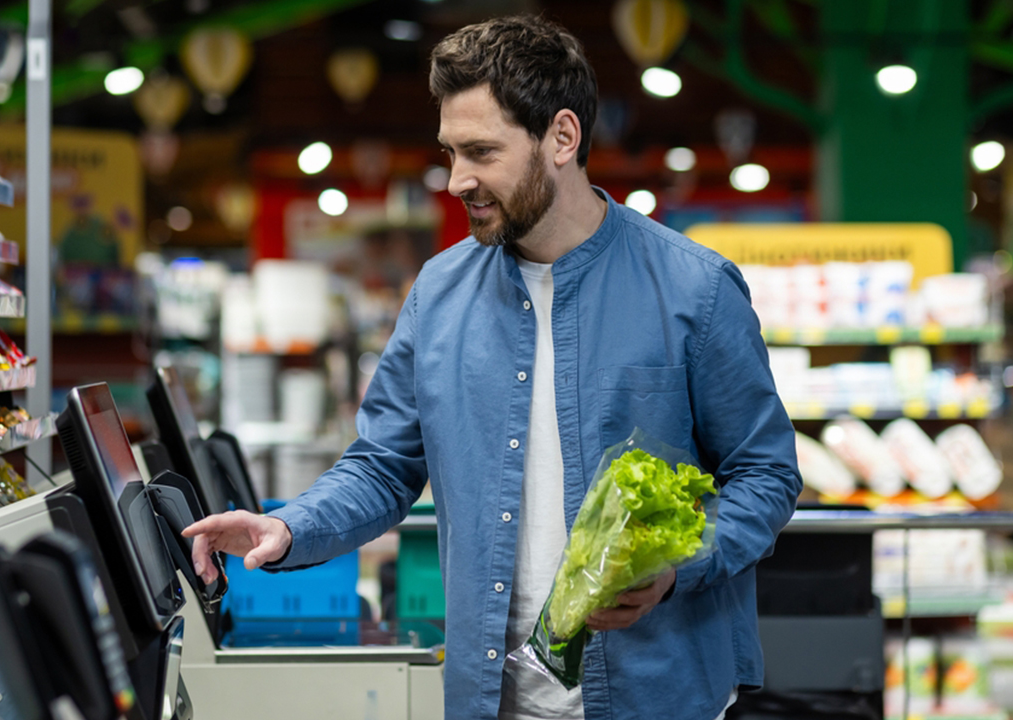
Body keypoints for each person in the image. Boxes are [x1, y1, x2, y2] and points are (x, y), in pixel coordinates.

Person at [184, 14, 801, 720]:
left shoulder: (695, 288)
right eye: (450, 152)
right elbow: (382, 465)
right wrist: (288, 528)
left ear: (562, 138)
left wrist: (679, 563)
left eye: (481, 152)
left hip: (657, 693)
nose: (456, 180)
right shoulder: (439, 293)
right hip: (494, 698)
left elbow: (766, 473)